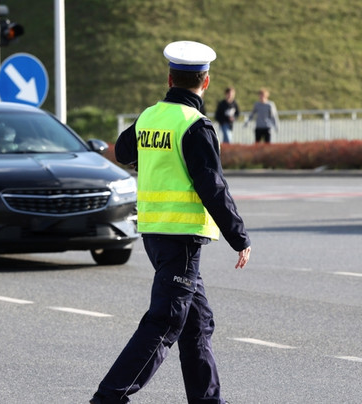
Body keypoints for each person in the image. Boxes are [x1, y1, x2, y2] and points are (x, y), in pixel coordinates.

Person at [90, 40, 252, 404]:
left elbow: (124, 151)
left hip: (155, 233)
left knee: (197, 325)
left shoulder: (150, 116)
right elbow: (212, 186)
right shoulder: (195, 126)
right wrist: (239, 237)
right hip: (181, 237)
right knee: (164, 323)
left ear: (169, 79)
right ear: (206, 82)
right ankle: (108, 398)